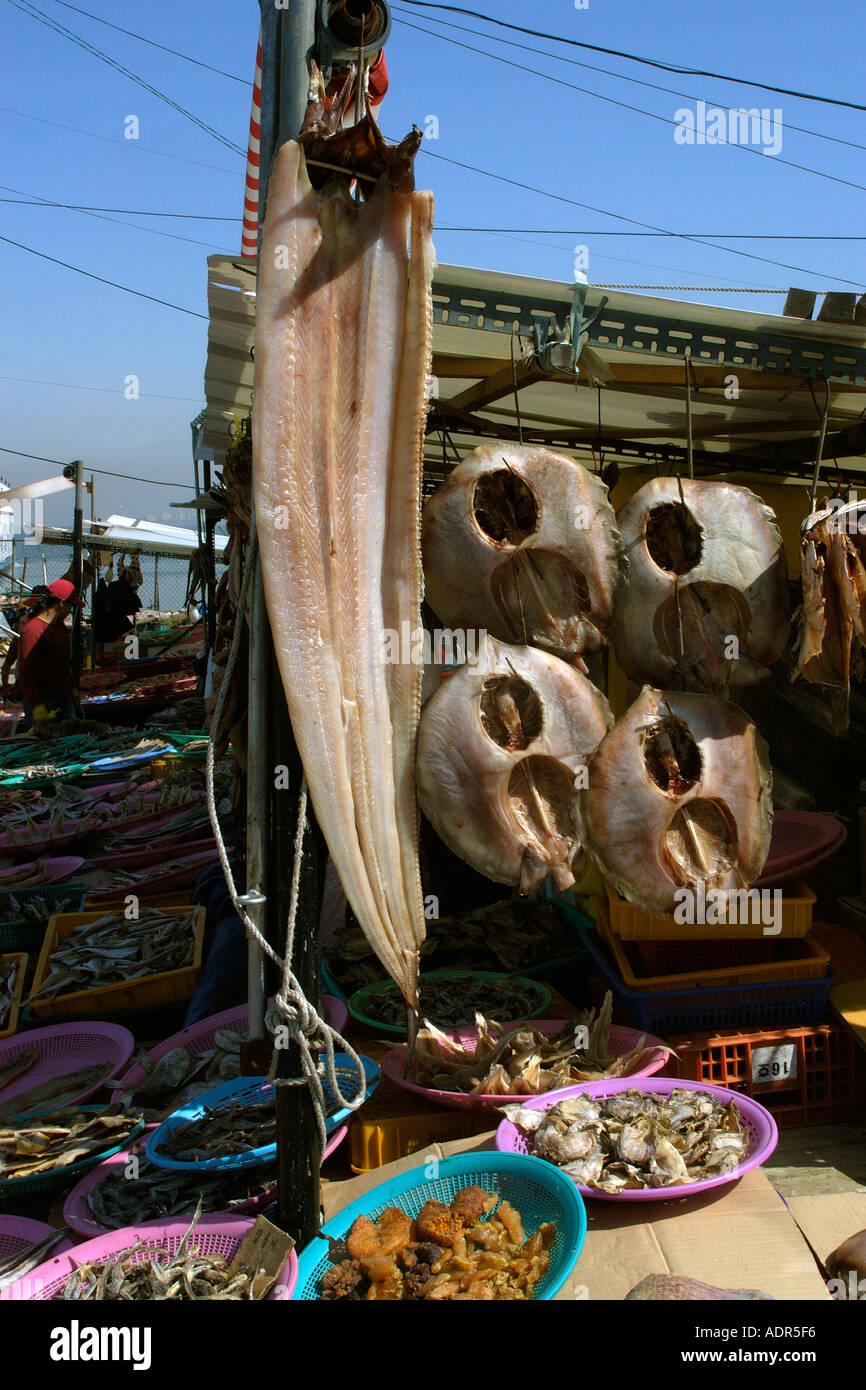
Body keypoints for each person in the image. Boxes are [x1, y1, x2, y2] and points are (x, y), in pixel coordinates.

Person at [16, 579, 84, 730]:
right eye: (70, 606)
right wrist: (37, 705)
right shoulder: (33, 629)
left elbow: (64, 662)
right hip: (43, 701)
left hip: (64, 698)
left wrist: (72, 688)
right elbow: (24, 672)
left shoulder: (59, 626)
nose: (70, 611)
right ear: (61, 603)